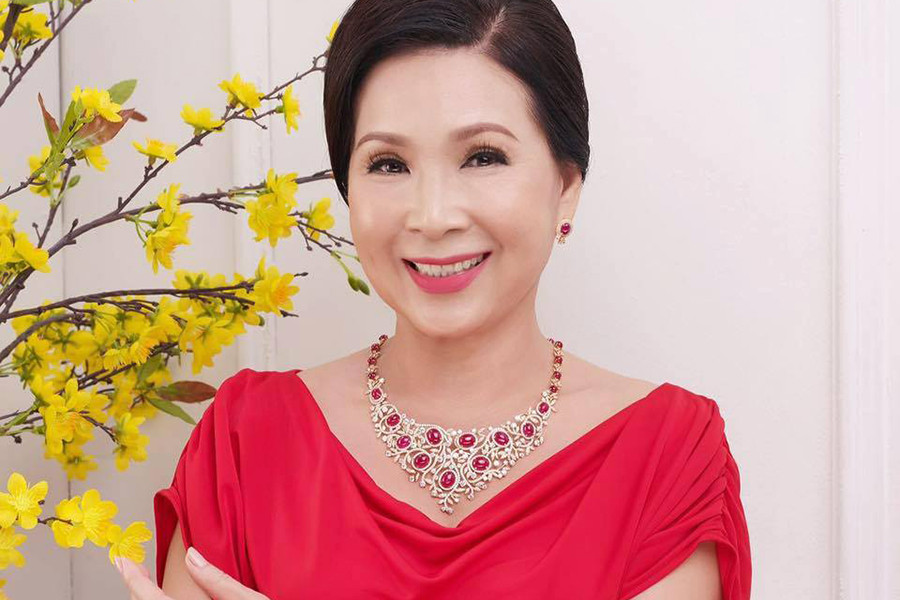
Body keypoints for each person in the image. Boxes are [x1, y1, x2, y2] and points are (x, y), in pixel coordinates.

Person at [115, 0, 751, 598]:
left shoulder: (668, 455)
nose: (433, 216)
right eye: (389, 164)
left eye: (482, 156)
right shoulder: (245, 442)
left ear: (565, 187)